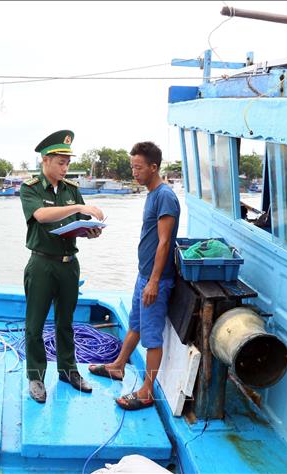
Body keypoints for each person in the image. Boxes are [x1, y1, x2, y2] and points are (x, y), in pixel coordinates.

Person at [89, 141, 180, 411]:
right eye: (132, 167)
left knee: (151, 336)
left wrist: (153, 281)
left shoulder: (165, 196)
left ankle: (146, 391)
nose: (134, 172)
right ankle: (118, 366)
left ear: (154, 167)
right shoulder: (152, 194)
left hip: (156, 280)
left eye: (139, 167)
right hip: (144, 275)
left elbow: (164, 242)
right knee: (136, 323)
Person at [19, 129, 104, 403]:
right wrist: (78, 209)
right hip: (42, 264)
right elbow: (42, 215)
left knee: (66, 322)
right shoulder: (30, 188)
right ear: (45, 161)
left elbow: (78, 222)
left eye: (67, 163)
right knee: (34, 325)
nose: (65, 167)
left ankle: (68, 370)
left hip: (69, 265)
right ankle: (36, 377)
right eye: (60, 162)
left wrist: (91, 229)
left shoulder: (72, 190)